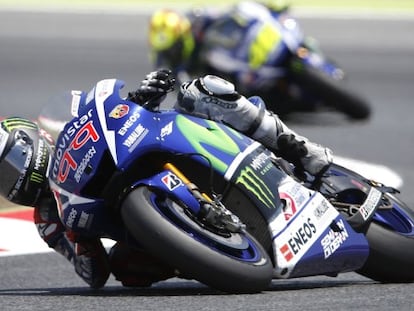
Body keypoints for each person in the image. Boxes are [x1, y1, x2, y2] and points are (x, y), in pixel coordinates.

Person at [0, 68, 332, 289]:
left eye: (8, 167)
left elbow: (102, 110)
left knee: (201, 91)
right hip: (132, 211)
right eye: (1, 180)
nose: (9, 182)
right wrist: (79, 242)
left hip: (151, 144)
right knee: (127, 269)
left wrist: (141, 96)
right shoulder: (46, 219)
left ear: (33, 138)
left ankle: (300, 150)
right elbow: (93, 274)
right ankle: (209, 254)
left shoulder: (66, 123)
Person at [148, 0, 302, 114]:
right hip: (226, 84)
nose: (175, 52)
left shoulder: (197, 19)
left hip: (236, 54)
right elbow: (182, 89)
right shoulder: (166, 63)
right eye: (171, 49)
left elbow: (225, 14)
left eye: (177, 46)